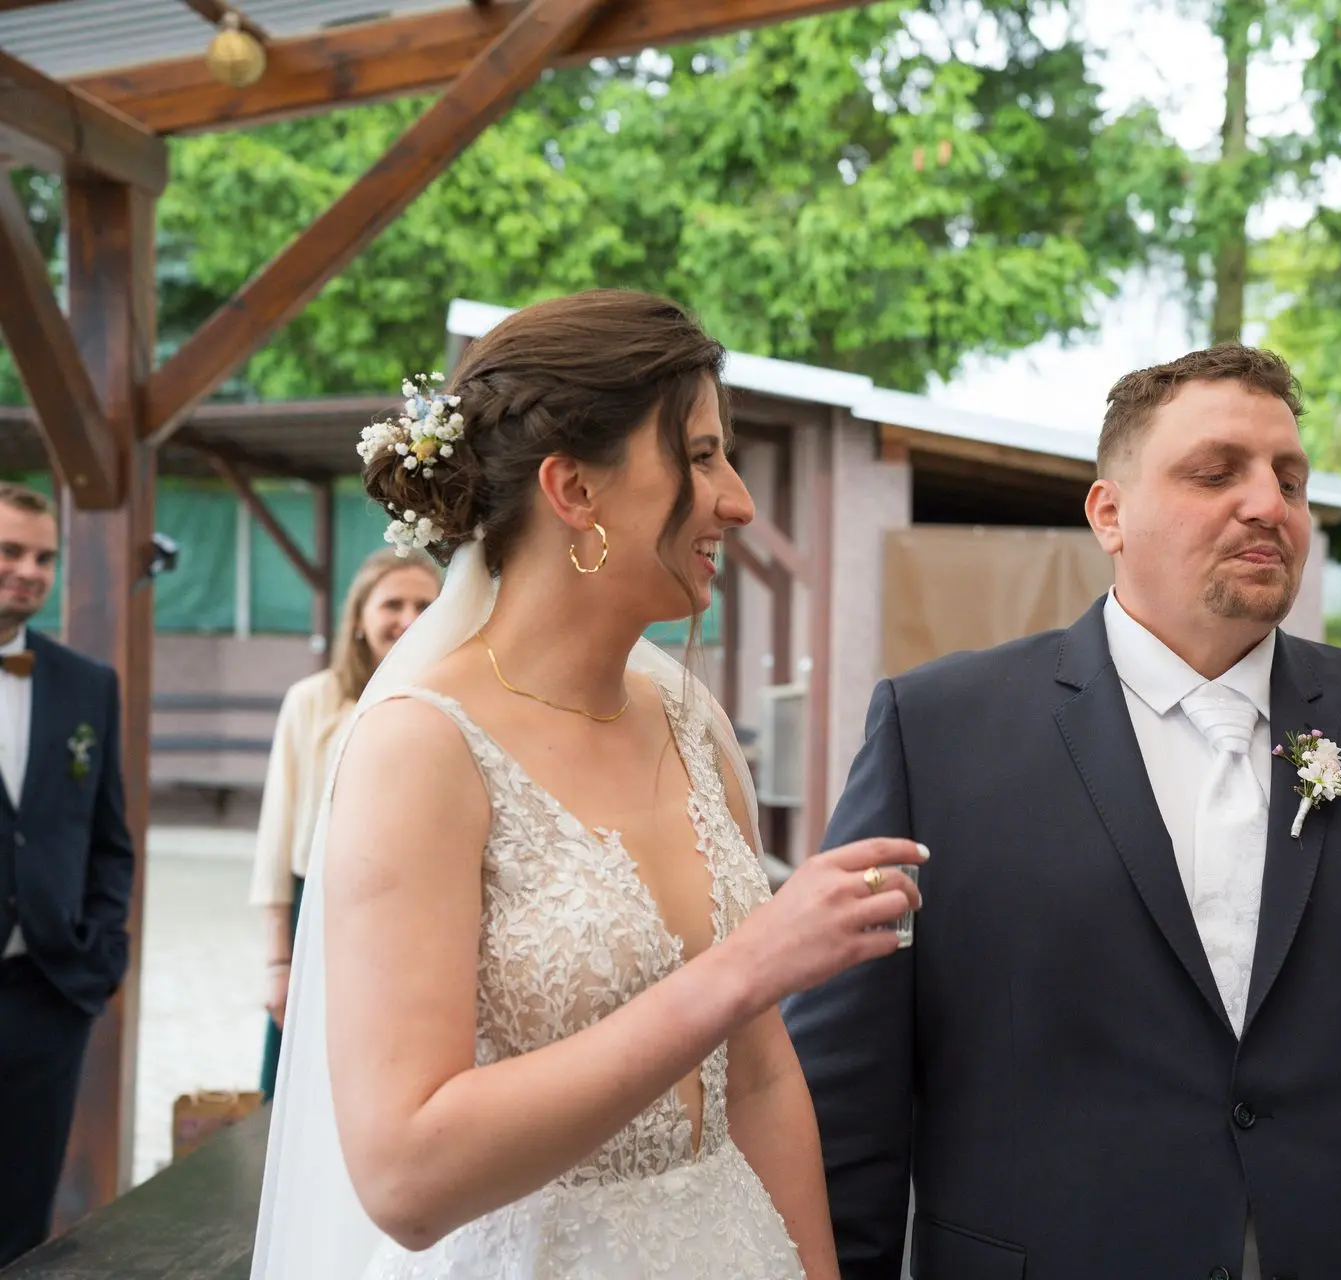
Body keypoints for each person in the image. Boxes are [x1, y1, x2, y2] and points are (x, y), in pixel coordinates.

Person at [783, 344, 1341, 1280]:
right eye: (1216, 473)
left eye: (1290, 480)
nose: (1268, 504)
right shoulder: (937, 736)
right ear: (1110, 514)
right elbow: (844, 1093)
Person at [251, 290, 926, 1280]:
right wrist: (742, 968)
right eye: (701, 456)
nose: (737, 500)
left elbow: (760, 1080)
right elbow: (405, 1176)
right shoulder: (422, 748)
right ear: (574, 488)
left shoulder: (691, 724)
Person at [0, 483, 136, 1267]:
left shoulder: (87, 685)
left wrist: (101, 952)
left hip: (48, 989)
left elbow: (109, 839)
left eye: (44, 557)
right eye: (10, 551)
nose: (29, 571)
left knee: (22, 1213)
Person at [251, 546, 441, 1098]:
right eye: (393, 605)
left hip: (419, 916)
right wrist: (278, 962)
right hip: (320, 911)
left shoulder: (454, 699)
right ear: (359, 617)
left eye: (425, 606)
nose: (409, 619)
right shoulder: (312, 701)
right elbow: (276, 838)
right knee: (307, 1083)